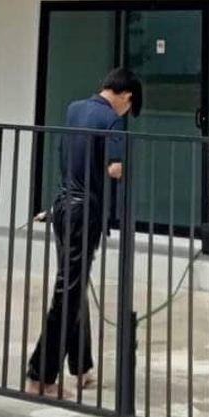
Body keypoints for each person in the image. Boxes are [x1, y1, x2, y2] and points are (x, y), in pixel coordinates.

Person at [26, 67, 143, 397]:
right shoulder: (112, 120)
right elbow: (114, 169)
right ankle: (40, 376)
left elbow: (68, 156)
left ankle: (81, 367)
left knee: (73, 286)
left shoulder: (74, 109)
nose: (125, 113)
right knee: (68, 291)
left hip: (63, 206)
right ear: (126, 96)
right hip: (85, 212)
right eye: (129, 107)